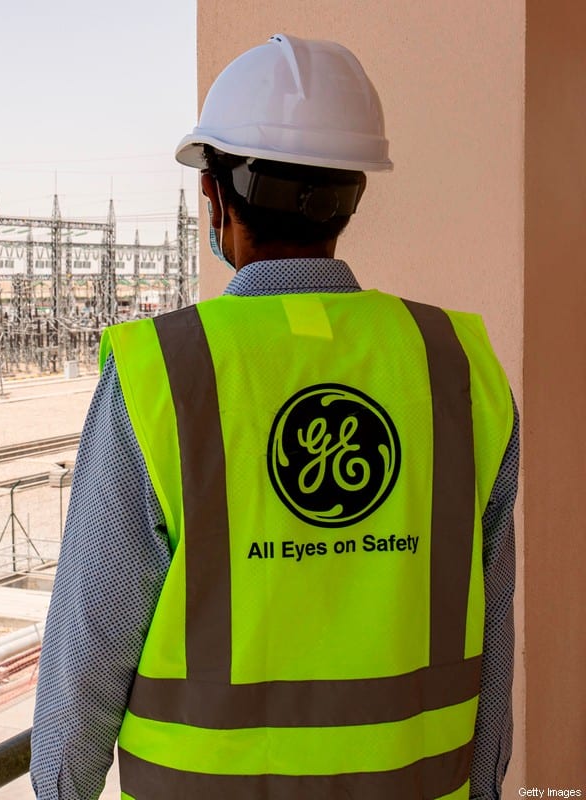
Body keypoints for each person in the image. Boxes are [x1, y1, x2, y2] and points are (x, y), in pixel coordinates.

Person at [31, 33, 518, 800]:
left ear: (217, 198)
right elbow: (494, 629)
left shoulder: (165, 374)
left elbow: (90, 646)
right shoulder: (455, 366)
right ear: (353, 195)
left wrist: (61, 787)